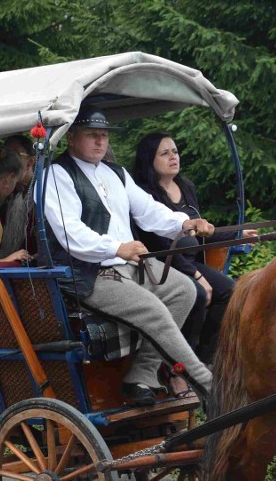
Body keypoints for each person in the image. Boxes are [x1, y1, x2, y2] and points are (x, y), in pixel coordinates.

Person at [40, 105, 214, 405]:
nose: (100, 141)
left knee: (185, 290)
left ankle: (141, 376)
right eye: (91, 135)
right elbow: (70, 233)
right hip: (86, 274)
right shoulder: (56, 176)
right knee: (154, 310)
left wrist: (183, 223)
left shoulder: (116, 173)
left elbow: (148, 211)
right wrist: (117, 247)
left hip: (129, 266)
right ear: (71, 138)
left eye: (104, 135)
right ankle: (208, 384)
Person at [132, 133, 257, 363]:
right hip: (163, 265)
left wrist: (237, 235)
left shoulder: (186, 186)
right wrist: (195, 275)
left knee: (230, 291)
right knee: (199, 294)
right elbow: (160, 244)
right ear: (149, 159)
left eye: (175, 152)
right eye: (164, 153)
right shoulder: (144, 195)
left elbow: (200, 232)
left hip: (190, 262)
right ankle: (179, 364)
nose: (173, 157)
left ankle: (204, 359)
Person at [0, 135, 38, 258]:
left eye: (13, 155)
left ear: (30, 162)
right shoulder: (5, 194)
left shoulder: (43, 191)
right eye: (5, 156)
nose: (8, 162)